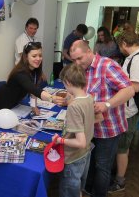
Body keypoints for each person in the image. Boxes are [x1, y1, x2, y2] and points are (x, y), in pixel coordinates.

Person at [69, 40, 135, 197]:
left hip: (109, 129)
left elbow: (129, 90)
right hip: (91, 128)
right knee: (91, 163)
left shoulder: (107, 66)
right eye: (73, 60)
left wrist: (107, 104)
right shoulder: (81, 69)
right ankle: (89, 191)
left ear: (89, 52)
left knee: (102, 166)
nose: (76, 63)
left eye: (79, 58)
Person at [108, 31, 139, 193]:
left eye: (120, 46)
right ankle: (117, 172)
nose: (121, 49)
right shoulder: (133, 57)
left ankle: (120, 181)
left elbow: (134, 88)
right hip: (125, 109)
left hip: (129, 110)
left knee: (123, 147)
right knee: (120, 145)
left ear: (125, 43)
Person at [52, 63, 95, 197]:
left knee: (69, 191)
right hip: (85, 153)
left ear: (68, 83)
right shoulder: (88, 97)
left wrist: (60, 140)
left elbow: (80, 142)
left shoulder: (74, 107)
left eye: (64, 84)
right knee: (78, 188)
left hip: (73, 157)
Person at [0, 42, 64, 113]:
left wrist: (34, 107)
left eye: (40, 55)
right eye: (34, 56)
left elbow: (33, 91)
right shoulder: (20, 73)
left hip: (17, 101)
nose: (38, 59)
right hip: (5, 102)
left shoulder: (35, 69)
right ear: (26, 57)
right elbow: (34, 89)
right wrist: (51, 98)